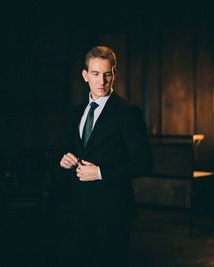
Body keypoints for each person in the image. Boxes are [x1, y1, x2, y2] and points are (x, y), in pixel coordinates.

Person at [59, 46, 153, 267]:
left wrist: (100, 173)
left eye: (107, 74)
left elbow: (144, 163)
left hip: (113, 212)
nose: (102, 81)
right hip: (80, 210)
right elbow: (69, 148)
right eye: (95, 74)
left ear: (114, 74)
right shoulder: (76, 111)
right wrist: (64, 159)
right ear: (85, 76)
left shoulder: (127, 112)